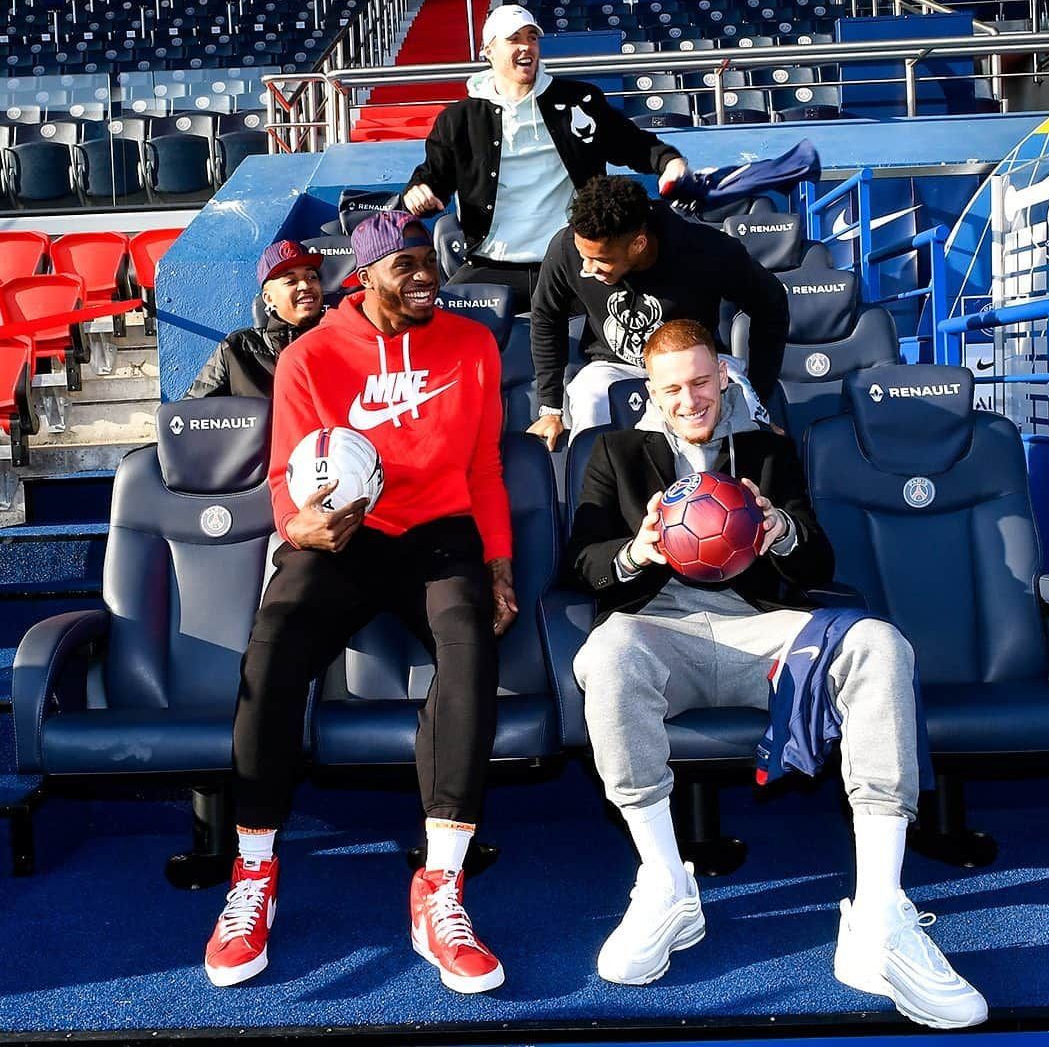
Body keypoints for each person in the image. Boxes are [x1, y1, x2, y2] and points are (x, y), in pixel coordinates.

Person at [564, 318, 988, 1029]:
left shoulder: (764, 450)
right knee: (604, 654)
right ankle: (668, 885)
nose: (689, 398)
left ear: (723, 376)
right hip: (661, 625)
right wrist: (636, 553)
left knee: (881, 645)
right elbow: (580, 562)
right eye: (671, 388)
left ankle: (879, 914)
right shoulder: (614, 451)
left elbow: (817, 563)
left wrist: (782, 531)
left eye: (701, 381)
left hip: (763, 628)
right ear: (651, 391)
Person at [203, 211, 518, 996]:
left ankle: (438, 888)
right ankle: (253, 874)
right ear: (365, 276)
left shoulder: (473, 345)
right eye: (405, 265)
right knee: (272, 647)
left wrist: (500, 563)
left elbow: (482, 467)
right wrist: (298, 524)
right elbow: (287, 476)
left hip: (438, 535)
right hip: (345, 536)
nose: (425, 277)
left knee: (471, 646)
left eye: (431, 264)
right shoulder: (311, 355)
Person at [402, 4, 689, 313]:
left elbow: (634, 144)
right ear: (489, 51)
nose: (526, 46)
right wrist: (418, 190)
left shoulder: (579, 100)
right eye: (514, 39)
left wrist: (670, 162)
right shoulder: (458, 119)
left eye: (532, 38)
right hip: (492, 264)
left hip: (574, 261)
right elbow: (434, 177)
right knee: (446, 327)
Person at [527, 175, 790, 449]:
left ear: (638, 244)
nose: (587, 268)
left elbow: (770, 304)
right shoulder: (567, 246)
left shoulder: (705, 249)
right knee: (589, 394)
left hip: (694, 364)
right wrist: (550, 408)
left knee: (748, 414)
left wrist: (759, 391)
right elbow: (547, 317)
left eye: (600, 260)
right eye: (583, 255)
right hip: (614, 366)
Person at [187, 239, 325, 399]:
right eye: (291, 281)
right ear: (268, 298)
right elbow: (190, 414)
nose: (305, 286)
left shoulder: (340, 340)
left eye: (312, 277)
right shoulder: (236, 349)